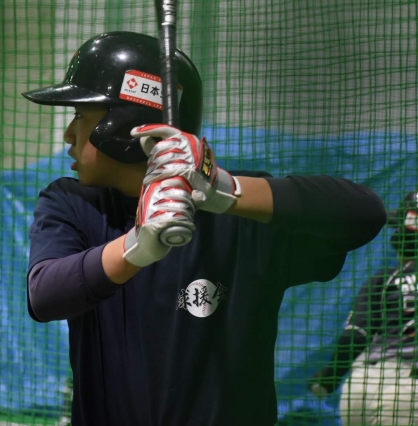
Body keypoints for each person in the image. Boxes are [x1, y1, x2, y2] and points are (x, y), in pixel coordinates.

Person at [22, 31, 387, 425]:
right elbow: (46, 295)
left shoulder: (241, 214)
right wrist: (137, 246)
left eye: (80, 115)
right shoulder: (72, 203)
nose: (69, 134)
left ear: (125, 126)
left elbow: (364, 213)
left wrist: (226, 190)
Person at [309, 190, 418, 426]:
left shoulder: (385, 279)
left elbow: (356, 334)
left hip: (361, 385)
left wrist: (330, 377)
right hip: (408, 391)